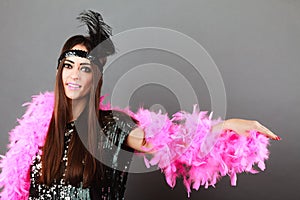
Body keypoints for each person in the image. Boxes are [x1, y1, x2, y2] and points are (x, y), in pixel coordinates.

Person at [0, 10, 280, 200]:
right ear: (59, 71)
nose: (74, 75)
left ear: (95, 78)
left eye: (85, 69)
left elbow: (174, 144)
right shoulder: (37, 129)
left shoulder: (112, 126)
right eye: (69, 66)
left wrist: (224, 127)